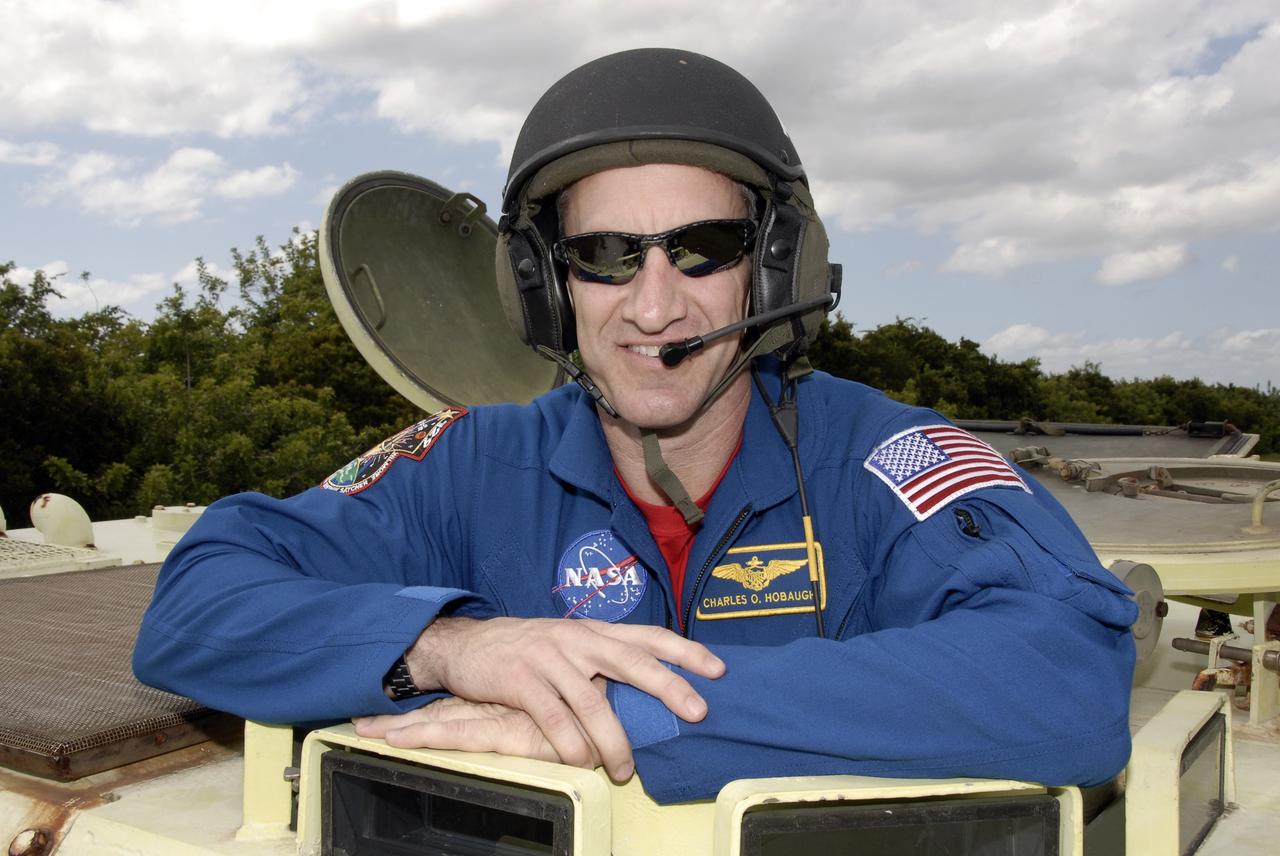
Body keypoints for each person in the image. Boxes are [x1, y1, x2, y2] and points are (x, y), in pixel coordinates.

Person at [133, 48, 1138, 805]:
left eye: (702, 249)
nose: (653, 306)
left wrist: (624, 714)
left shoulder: (883, 461)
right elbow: (197, 602)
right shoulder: (476, 461)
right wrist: (442, 646)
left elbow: (1067, 674)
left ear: (773, 269)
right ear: (542, 286)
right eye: (606, 255)